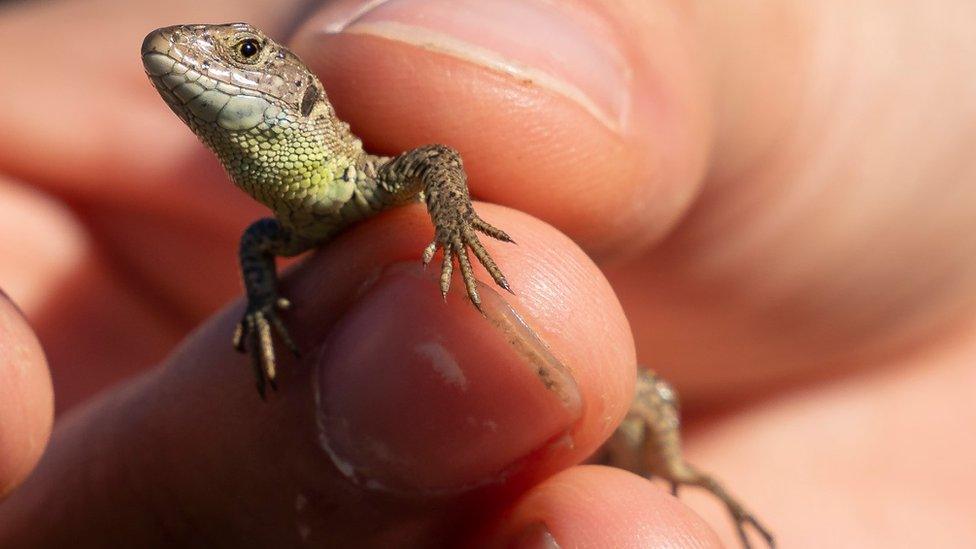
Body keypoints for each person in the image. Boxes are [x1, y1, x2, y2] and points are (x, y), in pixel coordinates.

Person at [0, 0, 973, 546]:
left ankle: (678, 474)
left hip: (602, 346)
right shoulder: (284, 220)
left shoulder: (354, 168)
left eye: (246, 50)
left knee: (651, 405)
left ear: (295, 86)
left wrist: (454, 232)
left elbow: (433, 159)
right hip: (508, 386)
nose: (206, 60)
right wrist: (262, 309)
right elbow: (263, 247)